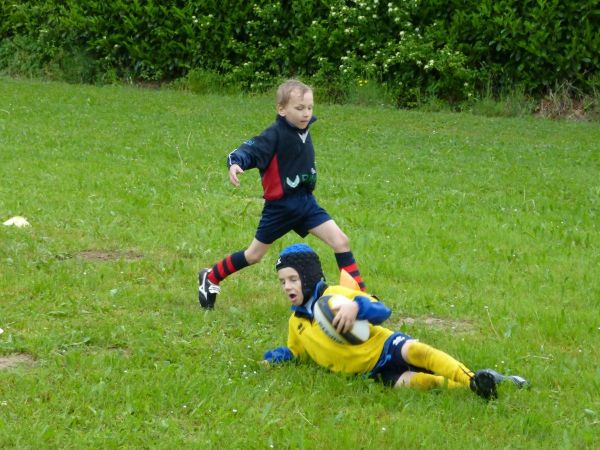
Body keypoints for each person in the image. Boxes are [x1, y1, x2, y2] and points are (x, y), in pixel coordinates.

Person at [264, 243, 529, 400]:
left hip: (386, 346)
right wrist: (275, 357)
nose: (287, 285)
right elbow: (295, 352)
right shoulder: (295, 322)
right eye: (282, 281)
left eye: (293, 279)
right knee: (423, 383)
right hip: (371, 373)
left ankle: (472, 380)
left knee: (421, 353)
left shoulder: (335, 296)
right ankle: (486, 385)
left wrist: (356, 306)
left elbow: (381, 311)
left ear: (308, 277)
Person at [198, 79, 365, 309]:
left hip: (306, 204)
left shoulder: (304, 130)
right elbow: (250, 149)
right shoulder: (274, 134)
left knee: (341, 241)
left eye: (309, 108)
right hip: (280, 208)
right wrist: (236, 163)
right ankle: (211, 276)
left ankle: (359, 301)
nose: (306, 113)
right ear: (281, 109)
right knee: (253, 255)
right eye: (299, 109)